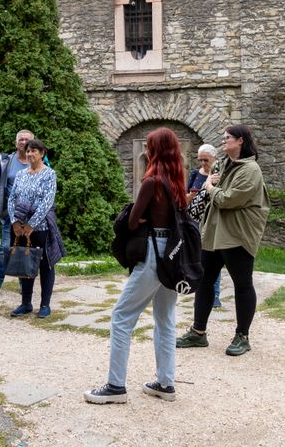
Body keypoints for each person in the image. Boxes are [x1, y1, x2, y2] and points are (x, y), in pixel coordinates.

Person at [85, 127, 186, 404]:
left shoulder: (152, 181)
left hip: (153, 250)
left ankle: (115, 386)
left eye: (149, 146)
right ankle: (165, 383)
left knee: (121, 317)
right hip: (172, 254)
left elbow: (132, 222)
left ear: (156, 150)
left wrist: (136, 220)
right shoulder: (177, 182)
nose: (145, 151)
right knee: (165, 320)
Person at [176, 124, 269, 357]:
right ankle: (198, 332)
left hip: (237, 234)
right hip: (213, 232)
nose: (223, 141)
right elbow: (212, 190)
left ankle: (242, 336)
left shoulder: (251, 170)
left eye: (227, 138)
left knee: (242, 284)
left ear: (240, 141)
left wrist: (209, 186)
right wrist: (210, 185)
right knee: (205, 281)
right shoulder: (220, 163)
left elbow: (229, 199)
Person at [6, 138, 65, 319]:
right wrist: (15, 222)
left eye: (34, 151)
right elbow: (12, 198)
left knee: (45, 265)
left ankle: (45, 305)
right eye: (28, 151)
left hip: (40, 228)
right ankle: (25, 303)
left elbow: (47, 202)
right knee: (24, 263)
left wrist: (32, 224)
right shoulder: (21, 174)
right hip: (19, 228)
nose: (30, 154)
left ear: (42, 153)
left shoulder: (49, 174)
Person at [0, 129, 36, 297]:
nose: (23, 142)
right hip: (10, 215)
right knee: (5, 248)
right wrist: (0, 205)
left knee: (25, 247)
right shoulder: (6, 162)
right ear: (16, 143)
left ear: (33, 143)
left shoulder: (37, 162)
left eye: (26, 140)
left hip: (31, 216)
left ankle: (24, 283)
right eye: (20, 139)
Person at [187, 143, 222, 309]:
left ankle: (214, 295)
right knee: (198, 257)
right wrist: (193, 194)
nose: (202, 163)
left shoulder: (221, 173)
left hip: (212, 221)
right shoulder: (195, 173)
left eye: (205, 160)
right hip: (195, 220)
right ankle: (199, 289)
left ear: (214, 158)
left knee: (212, 257)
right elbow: (186, 197)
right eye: (200, 160)